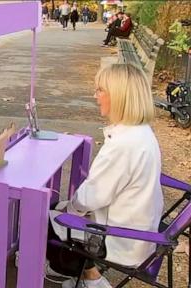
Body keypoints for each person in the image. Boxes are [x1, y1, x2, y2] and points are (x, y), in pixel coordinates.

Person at [47, 63, 163, 288]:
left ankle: (89, 276)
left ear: (118, 96)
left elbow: (92, 197)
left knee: (43, 218)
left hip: (121, 238)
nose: (95, 96)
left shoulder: (123, 144)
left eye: (100, 90)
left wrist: (68, 209)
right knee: (60, 209)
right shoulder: (142, 133)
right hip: (139, 231)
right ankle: (84, 272)